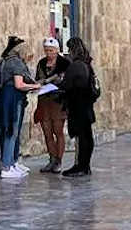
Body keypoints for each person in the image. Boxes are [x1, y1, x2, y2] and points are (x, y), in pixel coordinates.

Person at [0, 35, 39, 178]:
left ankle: (10, 163)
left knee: (6, 131)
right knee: (11, 131)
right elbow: (19, 84)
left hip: (1, 98)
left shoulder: (5, 61)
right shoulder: (16, 63)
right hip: (11, 99)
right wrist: (36, 86)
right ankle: (7, 167)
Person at [60, 37, 98, 177]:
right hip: (86, 105)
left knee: (82, 137)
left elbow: (66, 85)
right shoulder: (87, 63)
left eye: (69, 49)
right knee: (87, 136)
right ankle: (85, 166)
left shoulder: (76, 65)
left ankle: (81, 166)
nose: (68, 53)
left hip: (78, 105)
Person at [33, 37, 69, 173]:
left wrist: (56, 83)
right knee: (47, 131)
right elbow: (38, 78)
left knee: (58, 130)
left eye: (51, 50)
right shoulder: (42, 63)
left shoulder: (64, 63)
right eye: (46, 50)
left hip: (58, 101)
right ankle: (52, 158)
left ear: (57, 50)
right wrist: (40, 83)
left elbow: (67, 81)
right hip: (44, 100)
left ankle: (59, 160)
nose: (48, 53)